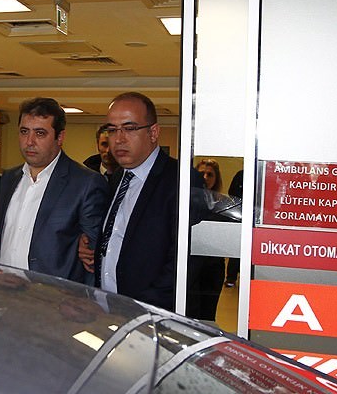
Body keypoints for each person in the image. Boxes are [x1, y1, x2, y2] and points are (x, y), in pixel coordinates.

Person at [81, 92, 203, 311]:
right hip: (107, 309)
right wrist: (91, 244)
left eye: (129, 128)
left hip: (149, 314)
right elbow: (118, 235)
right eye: (112, 130)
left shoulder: (181, 180)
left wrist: (141, 309)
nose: (118, 139)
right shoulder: (118, 177)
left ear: (153, 133)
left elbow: (185, 261)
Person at [0, 97, 109, 284]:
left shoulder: (85, 183)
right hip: (3, 290)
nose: (29, 141)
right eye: (24, 132)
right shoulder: (8, 178)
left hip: (54, 295)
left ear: (59, 137)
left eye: (40, 133)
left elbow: (93, 256)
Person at [191, 158, 226, 321]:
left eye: (210, 174)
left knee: (208, 314)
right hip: (190, 266)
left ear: (216, 178)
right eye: (201, 174)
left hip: (213, 267)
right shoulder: (186, 200)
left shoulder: (222, 204)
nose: (205, 177)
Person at [225, 169, 244, 287]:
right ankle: (231, 277)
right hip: (239, 213)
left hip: (247, 214)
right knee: (236, 248)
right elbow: (232, 192)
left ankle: (232, 278)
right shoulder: (241, 175)